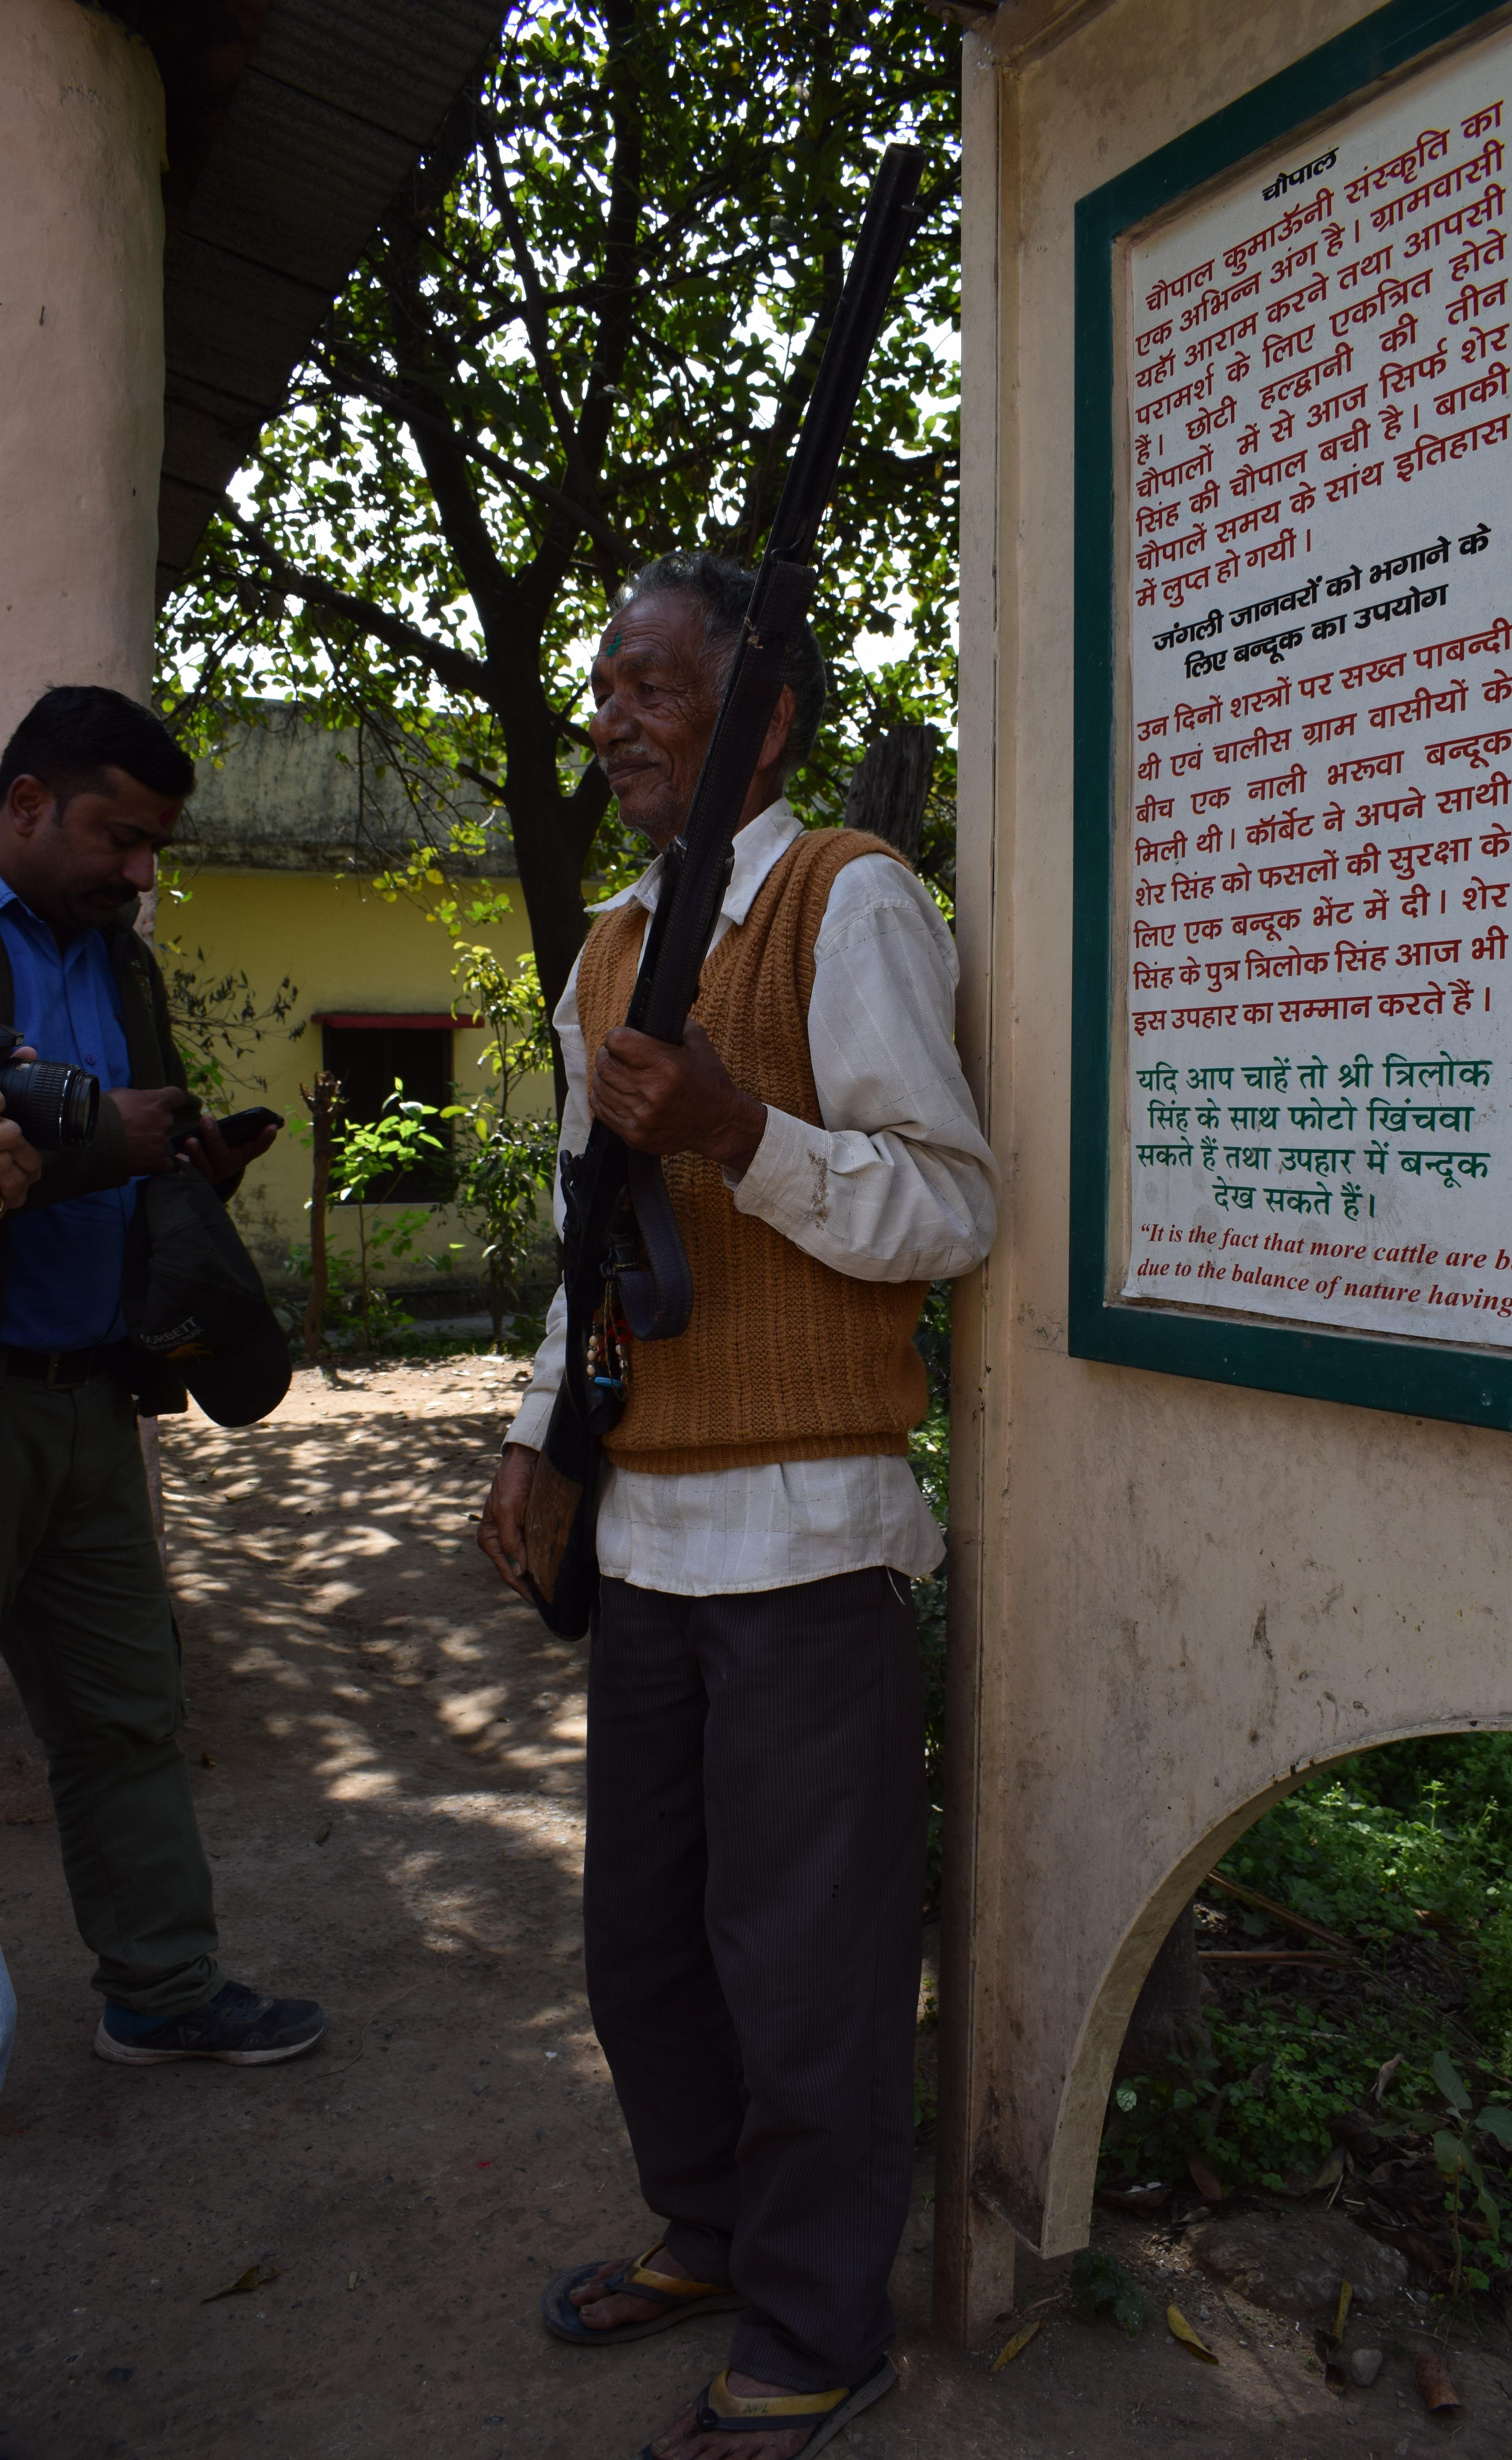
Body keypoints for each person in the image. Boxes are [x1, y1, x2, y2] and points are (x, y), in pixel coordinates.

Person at [477, 553, 997, 2460]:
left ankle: (812, 2318)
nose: (611, 713)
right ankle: (709, 2228)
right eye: (602, 682)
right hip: (649, 1536)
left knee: (807, 1960)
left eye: (656, 684)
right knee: (645, 1939)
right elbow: (581, 1239)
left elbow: (950, 1207)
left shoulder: (845, 898)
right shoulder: (610, 944)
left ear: (759, 715)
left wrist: (733, 1132)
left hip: (810, 1538)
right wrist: (538, 1437)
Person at [0, 685, 327, 2066]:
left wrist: (183, 1158)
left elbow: (132, 1128)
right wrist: (100, 1149)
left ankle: (163, 1989)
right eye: (120, 840)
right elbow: (71, 1146)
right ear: (25, 806)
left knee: (130, 1711)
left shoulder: (119, 961)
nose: (143, 874)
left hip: (86, 1393)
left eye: (155, 849)